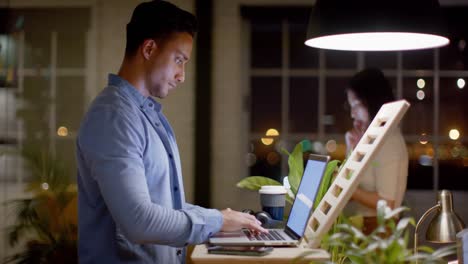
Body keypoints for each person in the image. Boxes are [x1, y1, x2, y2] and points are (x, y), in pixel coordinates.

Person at [76, 1, 266, 263]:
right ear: (149, 48)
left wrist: (224, 219)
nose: (182, 76)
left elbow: (164, 208)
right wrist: (218, 220)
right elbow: (140, 220)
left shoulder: (147, 116)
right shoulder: (114, 117)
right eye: (179, 60)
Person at [343, 68, 409, 235]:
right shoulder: (374, 139)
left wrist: (347, 187)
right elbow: (349, 192)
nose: (352, 114)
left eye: (356, 105)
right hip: (365, 231)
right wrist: (353, 150)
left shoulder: (389, 140)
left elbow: (387, 204)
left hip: (380, 235)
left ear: (372, 102)